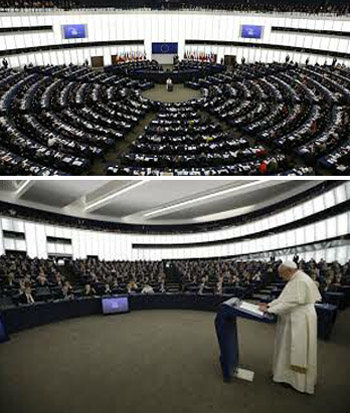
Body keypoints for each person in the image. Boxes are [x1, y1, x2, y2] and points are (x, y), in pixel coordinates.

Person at [259, 261, 321, 394]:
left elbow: (290, 303)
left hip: (299, 320)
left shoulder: (299, 281)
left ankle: (295, 381)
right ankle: (285, 376)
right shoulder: (297, 278)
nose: (281, 277)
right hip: (296, 317)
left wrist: (270, 310)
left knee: (295, 349)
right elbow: (284, 299)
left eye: (281, 274)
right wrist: (269, 305)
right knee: (287, 348)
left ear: (288, 270)